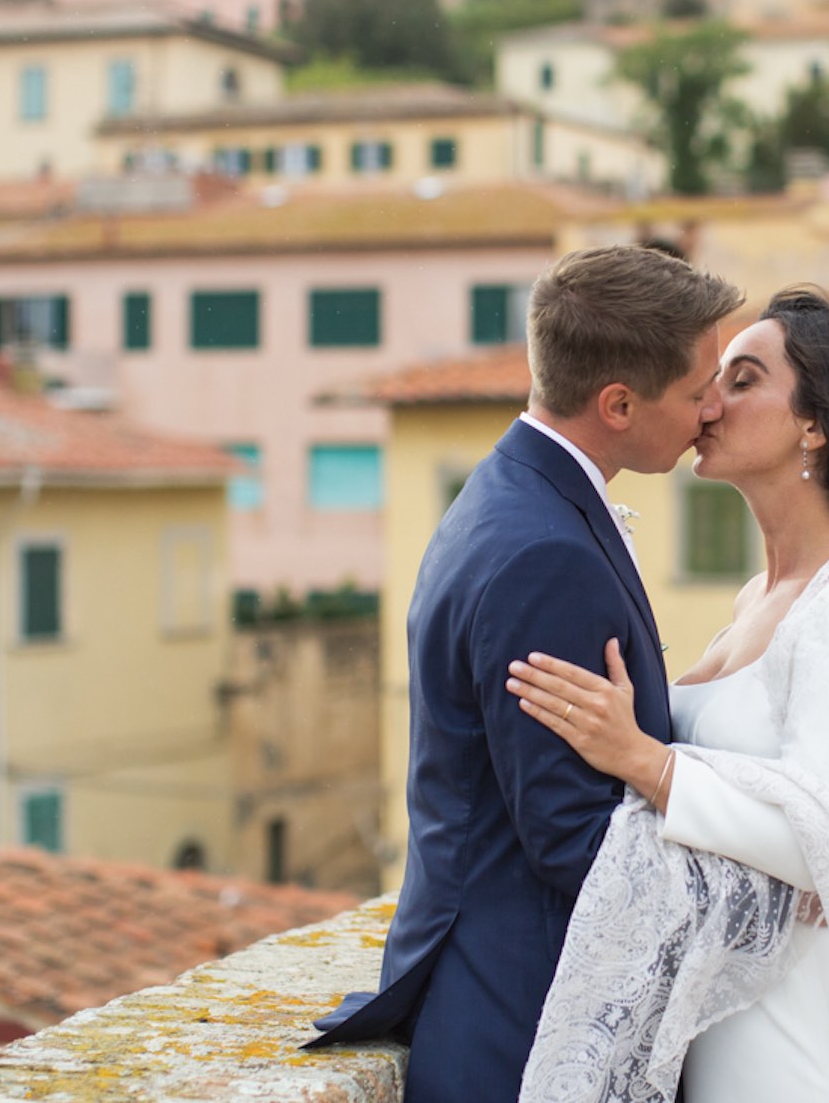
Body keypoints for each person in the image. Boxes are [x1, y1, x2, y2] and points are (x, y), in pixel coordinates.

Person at [505, 286, 829, 1102]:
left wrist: (646, 763)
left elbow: (826, 842)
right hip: (718, 1004)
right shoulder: (753, 599)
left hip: (785, 1032)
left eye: (741, 380)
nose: (707, 405)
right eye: (711, 382)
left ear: (814, 423)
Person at [306, 244, 744, 1103]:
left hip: (493, 987)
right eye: (698, 390)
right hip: (520, 1022)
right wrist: (770, 871)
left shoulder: (507, 494)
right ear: (618, 403)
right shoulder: (545, 555)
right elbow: (573, 840)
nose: (711, 410)